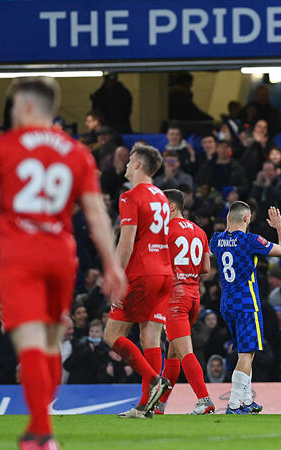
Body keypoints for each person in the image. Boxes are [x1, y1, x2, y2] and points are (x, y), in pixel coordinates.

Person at [0, 77, 127, 448]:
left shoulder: (6, 145)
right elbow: (96, 213)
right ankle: (41, 423)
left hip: (21, 253)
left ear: (29, 107)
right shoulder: (76, 150)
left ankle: (42, 432)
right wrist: (112, 265)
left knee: (30, 340)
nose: (12, 114)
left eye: (15, 106)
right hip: (61, 256)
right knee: (50, 341)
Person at [104, 144, 173, 419]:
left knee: (112, 335)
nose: (125, 164)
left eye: (130, 160)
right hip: (164, 272)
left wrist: (116, 279)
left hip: (142, 274)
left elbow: (126, 243)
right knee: (150, 338)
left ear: (138, 166)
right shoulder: (162, 198)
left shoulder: (130, 196)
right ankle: (146, 407)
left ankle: (155, 380)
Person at [210, 202, 281, 414]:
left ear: (228, 218)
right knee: (247, 353)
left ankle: (246, 399)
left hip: (226, 302)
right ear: (247, 219)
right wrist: (280, 227)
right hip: (246, 302)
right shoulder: (250, 240)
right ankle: (235, 404)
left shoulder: (217, 240)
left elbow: (208, 257)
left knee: (245, 352)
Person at [152, 189, 215, 415]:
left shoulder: (164, 231)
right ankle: (158, 405)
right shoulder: (200, 231)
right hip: (194, 297)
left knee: (185, 351)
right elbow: (206, 268)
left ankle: (204, 399)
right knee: (173, 353)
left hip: (174, 298)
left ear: (171, 207)